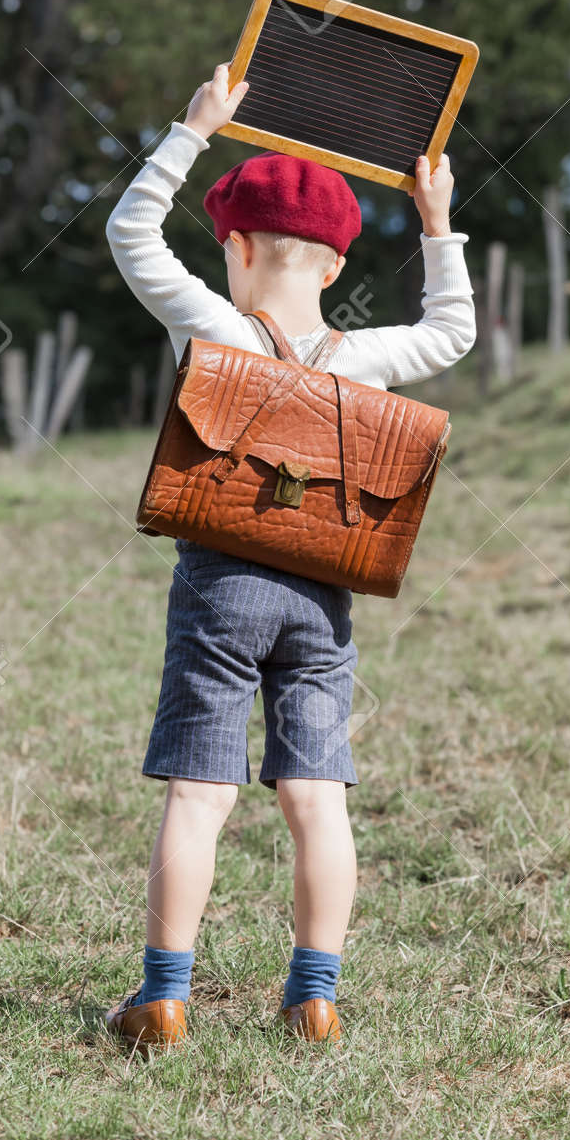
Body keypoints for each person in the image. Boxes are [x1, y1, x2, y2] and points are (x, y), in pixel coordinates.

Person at [103, 64, 475, 1051]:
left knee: (200, 793)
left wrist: (192, 132)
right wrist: (436, 223)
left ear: (233, 248)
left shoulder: (217, 328)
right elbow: (454, 329)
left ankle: (164, 998)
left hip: (222, 583)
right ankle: (314, 996)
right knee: (317, 795)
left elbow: (130, 236)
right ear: (332, 266)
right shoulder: (362, 357)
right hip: (323, 595)